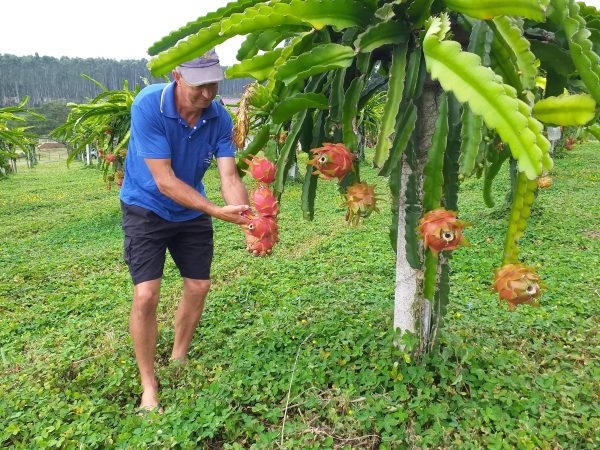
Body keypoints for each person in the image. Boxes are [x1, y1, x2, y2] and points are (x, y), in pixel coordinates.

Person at [119, 49, 259, 413]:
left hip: (191, 210)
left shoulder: (219, 117)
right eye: (200, 85)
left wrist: (250, 223)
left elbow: (229, 176)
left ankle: (178, 356)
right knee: (147, 294)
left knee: (199, 286)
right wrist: (214, 210)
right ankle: (148, 385)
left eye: (213, 83)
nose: (208, 94)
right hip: (146, 206)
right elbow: (164, 181)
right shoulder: (150, 105)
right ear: (177, 76)